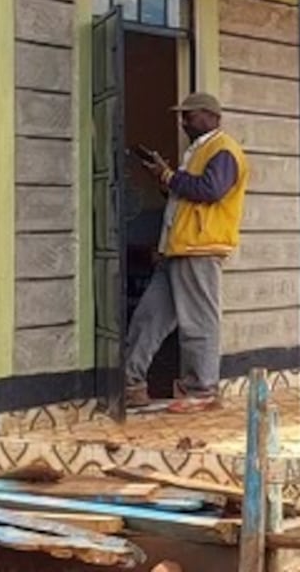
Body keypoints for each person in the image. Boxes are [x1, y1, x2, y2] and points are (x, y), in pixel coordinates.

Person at [126, 93, 250, 413]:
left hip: (201, 247)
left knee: (199, 321)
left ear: (211, 116)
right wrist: (165, 177)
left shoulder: (223, 150)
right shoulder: (197, 152)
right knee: (148, 318)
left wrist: (169, 176)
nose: (183, 122)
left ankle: (202, 390)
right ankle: (131, 384)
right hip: (178, 249)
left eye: (189, 116)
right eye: (183, 116)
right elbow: (185, 196)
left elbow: (210, 190)